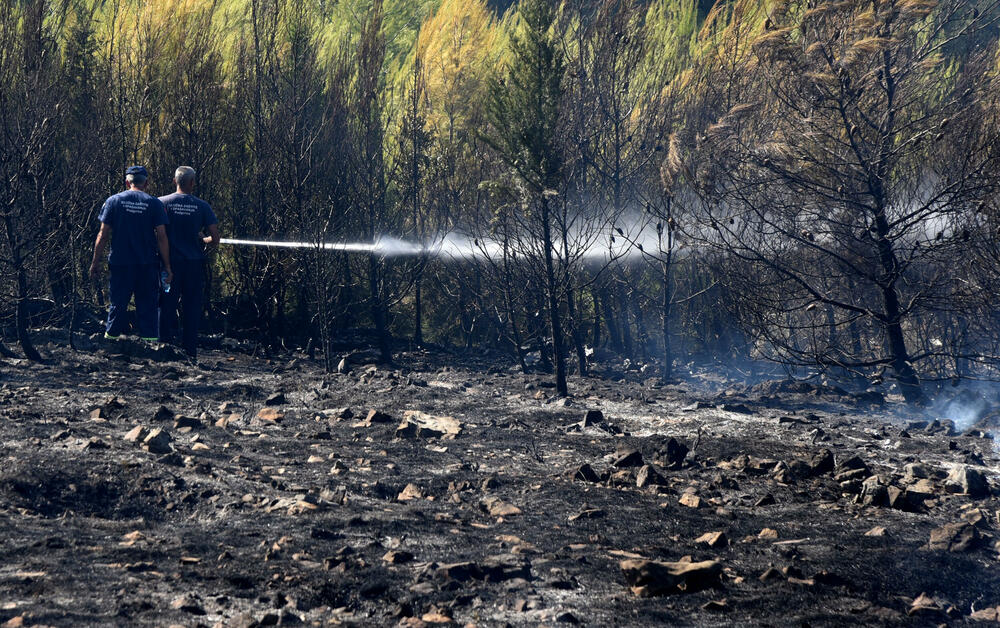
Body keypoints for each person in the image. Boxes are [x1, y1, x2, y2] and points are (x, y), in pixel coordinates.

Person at [89, 165, 172, 341]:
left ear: (127, 182)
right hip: (147, 264)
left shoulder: (113, 201)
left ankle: (110, 344)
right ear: (146, 183)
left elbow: (103, 235)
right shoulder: (154, 203)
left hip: (120, 263)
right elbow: (162, 237)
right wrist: (167, 266)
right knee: (148, 306)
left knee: (117, 304)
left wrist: (95, 262)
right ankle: (150, 347)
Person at [158, 166, 220, 359]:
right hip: (193, 265)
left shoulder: (161, 203)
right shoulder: (202, 206)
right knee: (191, 307)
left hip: (168, 264)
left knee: (165, 304)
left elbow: (156, 233)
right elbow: (215, 237)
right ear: (192, 183)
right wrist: (204, 240)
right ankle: (190, 352)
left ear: (175, 181)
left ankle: (163, 348)